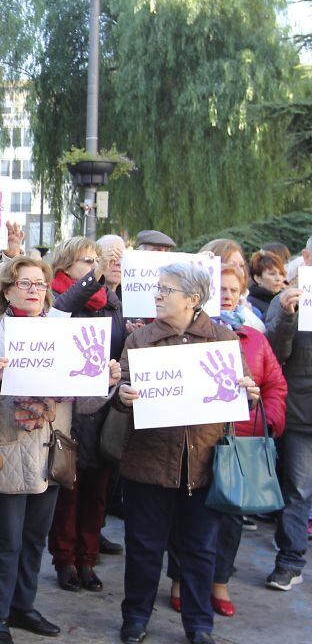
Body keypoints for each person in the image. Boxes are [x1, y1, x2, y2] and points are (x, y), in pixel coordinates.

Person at [0, 256, 119, 644]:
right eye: (25, 283)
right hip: (6, 454)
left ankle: (23, 606)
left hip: (50, 455)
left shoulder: (64, 336)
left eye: (40, 284)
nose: (34, 290)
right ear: (7, 291)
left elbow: (85, 403)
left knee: (35, 539)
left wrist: (105, 381)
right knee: (4, 542)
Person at [115, 262, 259, 644]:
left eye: (166, 289)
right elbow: (119, 392)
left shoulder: (222, 338)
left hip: (203, 464)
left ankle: (199, 625)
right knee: (144, 547)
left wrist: (248, 392)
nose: (157, 295)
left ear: (192, 299)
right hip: (148, 463)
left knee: (199, 549)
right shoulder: (140, 339)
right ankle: (135, 618)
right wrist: (122, 395)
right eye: (158, 288)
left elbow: (241, 390)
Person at [166, 263, 287, 616]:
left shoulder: (255, 338)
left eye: (234, 290)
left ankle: (219, 581)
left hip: (238, 443)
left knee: (231, 517)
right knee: (186, 515)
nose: (228, 295)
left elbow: (274, 385)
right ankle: (179, 579)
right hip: (194, 440)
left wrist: (267, 420)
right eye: (222, 289)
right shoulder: (188, 335)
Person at [45, 237, 126, 594]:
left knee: (96, 492)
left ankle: (88, 559)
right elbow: (62, 311)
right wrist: (96, 277)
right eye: (87, 261)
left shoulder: (112, 303)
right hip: (69, 410)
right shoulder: (58, 299)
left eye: (97, 260)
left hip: (103, 409)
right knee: (68, 491)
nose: (95, 266)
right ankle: (64, 560)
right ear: (66, 266)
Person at [263, 268, 312, 593]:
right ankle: (290, 562)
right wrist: (285, 315)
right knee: (297, 491)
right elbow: (274, 353)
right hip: (302, 415)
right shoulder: (289, 302)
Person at [200, 239, 264, 333]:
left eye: (241, 265)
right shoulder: (191, 317)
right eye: (232, 265)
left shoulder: (253, 312)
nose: (240, 271)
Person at [247, 250, 287, 320]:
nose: (278, 278)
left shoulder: (284, 299)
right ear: (257, 278)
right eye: (272, 274)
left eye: (281, 274)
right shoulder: (250, 304)